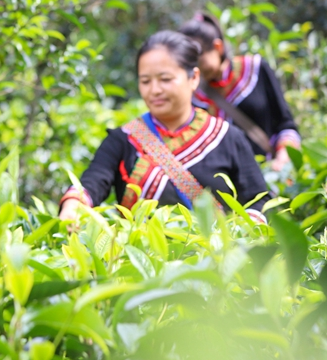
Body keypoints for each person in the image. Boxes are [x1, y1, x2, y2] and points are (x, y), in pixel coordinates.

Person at [58, 31, 269, 223]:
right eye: (145, 81)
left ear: (193, 78)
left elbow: (259, 200)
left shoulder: (227, 138)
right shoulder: (124, 139)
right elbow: (93, 181)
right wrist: (74, 203)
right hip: (140, 262)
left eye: (165, 79)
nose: (154, 90)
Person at [179, 12, 301, 171]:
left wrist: (285, 157)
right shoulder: (191, 94)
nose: (196, 70)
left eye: (199, 61)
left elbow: (286, 124)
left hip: (271, 173)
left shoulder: (255, 70)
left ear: (218, 47)